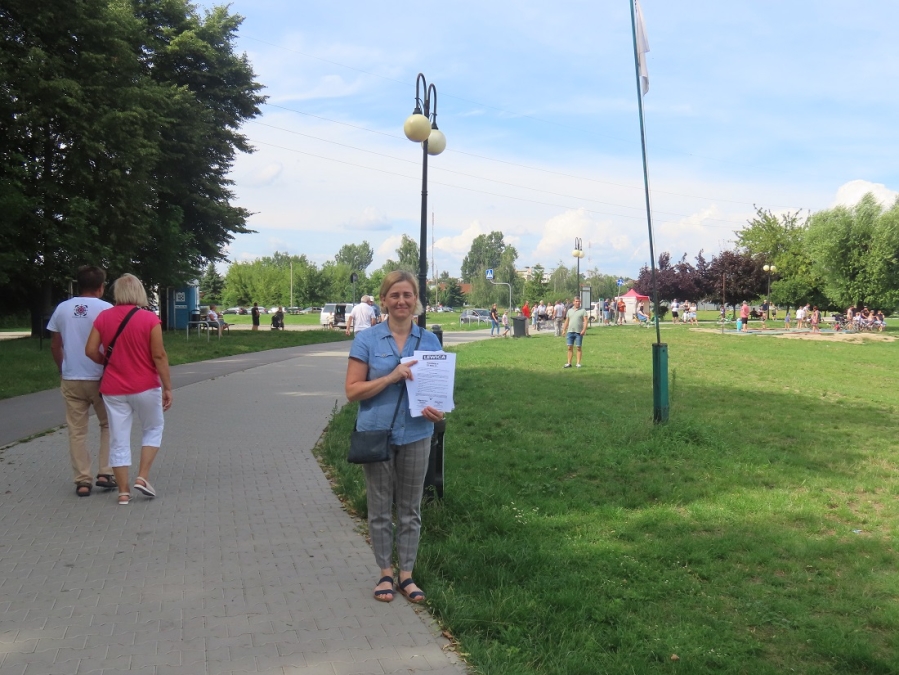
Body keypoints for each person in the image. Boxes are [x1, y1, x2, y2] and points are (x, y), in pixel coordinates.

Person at [344, 271, 444, 604]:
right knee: (379, 508)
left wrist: (438, 411)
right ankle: (385, 573)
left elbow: (437, 391)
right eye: (395, 295)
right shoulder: (367, 340)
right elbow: (352, 391)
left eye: (407, 295)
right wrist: (390, 377)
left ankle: (406, 575)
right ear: (384, 300)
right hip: (376, 433)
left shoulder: (429, 341)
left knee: (410, 509)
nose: (402, 301)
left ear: (416, 300)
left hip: (417, 433)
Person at [85, 274, 173, 506]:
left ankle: (123, 492)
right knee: (153, 428)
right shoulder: (149, 319)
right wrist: (168, 387)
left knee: (119, 438)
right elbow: (159, 355)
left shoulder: (103, 317)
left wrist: (107, 362)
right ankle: (142, 477)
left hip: (113, 388)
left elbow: (90, 350)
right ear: (139, 292)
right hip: (145, 386)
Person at [47, 265, 115, 497]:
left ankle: (82, 481)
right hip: (100, 377)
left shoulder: (62, 308)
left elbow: (55, 345)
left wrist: (62, 369)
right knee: (108, 424)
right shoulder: (107, 309)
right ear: (101, 287)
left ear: (78, 284)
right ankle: (105, 472)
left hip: (72, 377)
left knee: (77, 430)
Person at [563, 296, 589, 368]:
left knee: (578, 347)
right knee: (569, 347)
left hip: (579, 332)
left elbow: (586, 321)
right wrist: (564, 330)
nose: (578, 303)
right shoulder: (569, 311)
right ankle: (569, 363)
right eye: (576, 301)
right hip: (570, 331)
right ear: (573, 302)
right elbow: (567, 321)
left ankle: (578, 363)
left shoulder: (583, 311)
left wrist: (584, 330)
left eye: (579, 301)